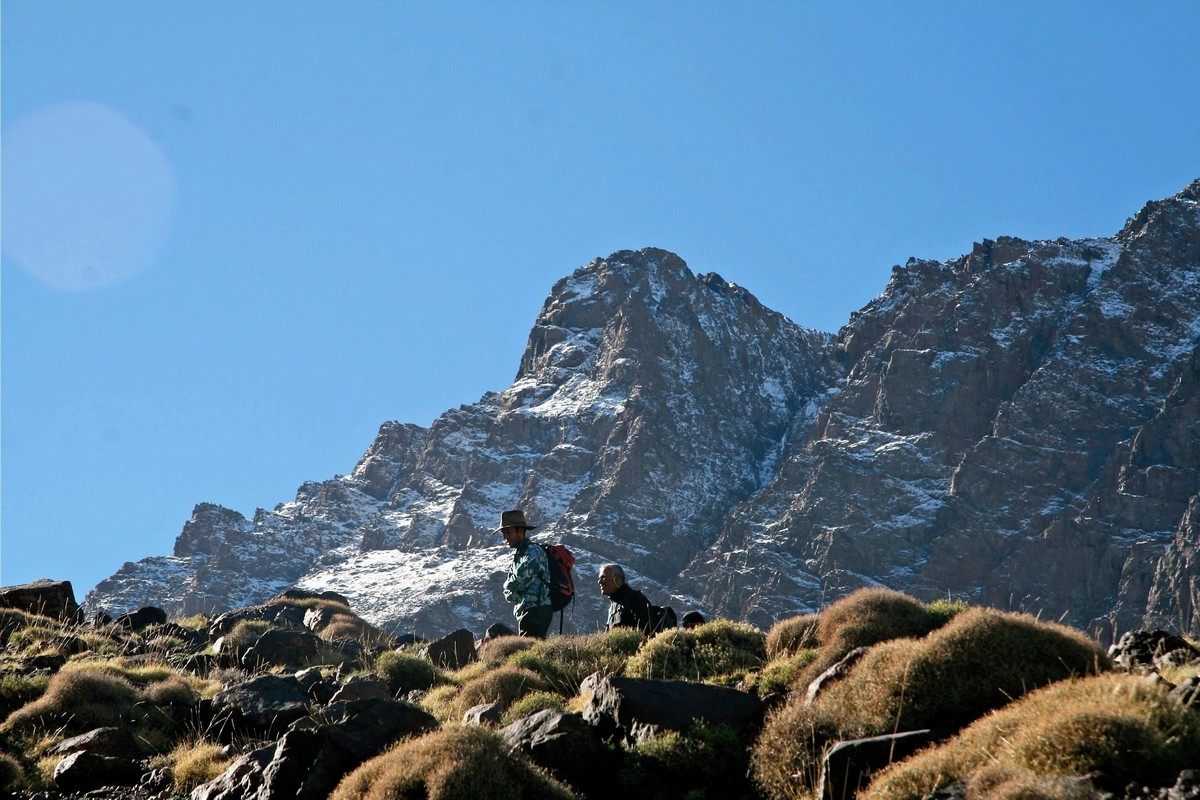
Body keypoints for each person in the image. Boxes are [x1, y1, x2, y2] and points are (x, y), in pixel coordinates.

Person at [498, 509, 554, 638]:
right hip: (527, 609)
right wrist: (511, 585)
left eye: (509, 532)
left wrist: (509, 584)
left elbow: (521, 579)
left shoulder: (533, 551)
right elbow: (509, 593)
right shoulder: (519, 555)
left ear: (521, 531)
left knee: (529, 648)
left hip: (536, 608)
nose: (505, 537)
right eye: (504, 533)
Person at [598, 563, 653, 633]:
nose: (599, 582)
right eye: (599, 578)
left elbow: (646, 629)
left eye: (603, 577)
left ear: (617, 578)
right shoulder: (614, 606)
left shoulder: (634, 599)